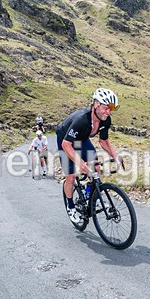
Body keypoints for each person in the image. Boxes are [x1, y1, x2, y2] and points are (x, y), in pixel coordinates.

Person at [56, 88, 123, 224]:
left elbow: (103, 141)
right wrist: (80, 164)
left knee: (96, 169)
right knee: (71, 176)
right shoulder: (82, 119)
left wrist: (115, 157)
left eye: (112, 109)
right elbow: (66, 144)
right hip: (65, 140)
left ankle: (88, 198)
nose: (109, 112)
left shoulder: (105, 120)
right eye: (106, 108)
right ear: (96, 104)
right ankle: (71, 207)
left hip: (82, 139)